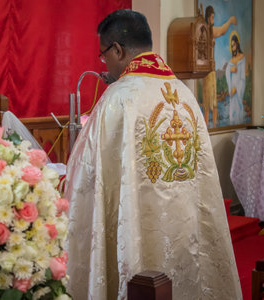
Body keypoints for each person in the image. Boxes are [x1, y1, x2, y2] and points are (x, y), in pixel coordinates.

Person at [64, 9, 242, 300]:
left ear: (117, 49)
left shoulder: (118, 98)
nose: (104, 63)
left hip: (140, 245)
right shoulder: (184, 95)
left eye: (103, 55)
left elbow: (86, 179)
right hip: (187, 237)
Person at [202, 5, 237, 128]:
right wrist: (230, 21)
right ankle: (208, 124)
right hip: (208, 71)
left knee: (213, 101)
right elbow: (222, 30)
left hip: (209, 70)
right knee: (208, 101)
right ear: (208, 17)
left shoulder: (206, 30)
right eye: (212, 17)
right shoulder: (207, 30)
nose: (213, 20)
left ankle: (213, 124)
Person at [225, 32, 246, 125]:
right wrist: (230, 69)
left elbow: (242, 77)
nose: (232, 47)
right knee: (232, 109)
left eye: (233, 45)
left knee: (239, 109)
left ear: (237, 44)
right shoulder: (231, 60)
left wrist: (237, 89)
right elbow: (227, 72)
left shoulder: (242, 58)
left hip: (238, 88)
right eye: (231, 45)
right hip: (232, 88)